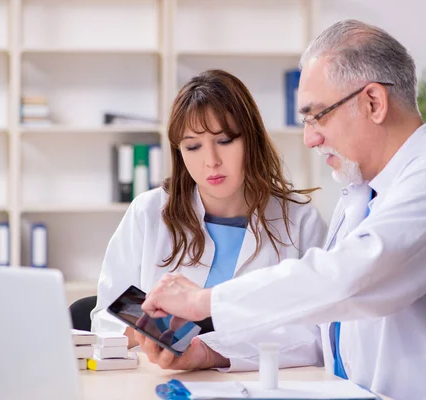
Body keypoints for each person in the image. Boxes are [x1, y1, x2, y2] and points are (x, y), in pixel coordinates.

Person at [141, 20, 426, 400]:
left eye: (318, 115)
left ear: (373, 102)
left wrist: (205, 301)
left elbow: (350, 280)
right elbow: (317, 327)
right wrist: (210, 352)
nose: (311, 138)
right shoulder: (360, 194)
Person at [90, 69, 327, 371]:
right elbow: (106, 319)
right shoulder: (148, 213)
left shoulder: (300, 219)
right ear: (179, 152)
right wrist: (151, 329)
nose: (211, 160)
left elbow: (317, 336)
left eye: (225, 140)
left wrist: (210, 354)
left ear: (251, 140)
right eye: (193, 146)